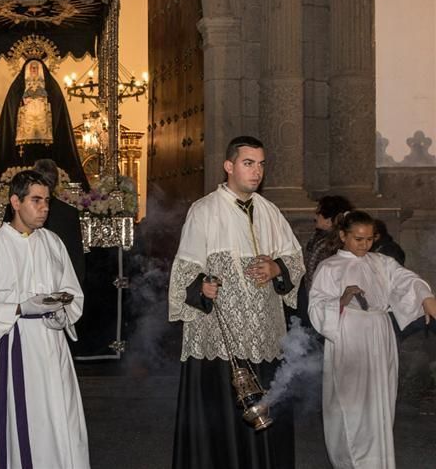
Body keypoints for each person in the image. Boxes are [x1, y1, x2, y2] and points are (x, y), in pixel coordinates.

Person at [167, 136, 304, 469]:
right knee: (222, 422)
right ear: (229, 166)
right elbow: (184, 272)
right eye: (248, 163)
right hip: (220, 339)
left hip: (264, 336)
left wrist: (276, 268)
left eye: (260, 164)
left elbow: (295, 260)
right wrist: (203, 288)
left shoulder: (271, 212)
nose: (256, 172)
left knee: (268, 416)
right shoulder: (204, 210)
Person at [0, 170, 90, 469]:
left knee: (62, 414)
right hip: (15, 343)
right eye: (36, 200)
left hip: (52, 342)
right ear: (15, 202)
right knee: (27, 417)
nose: (44, 208)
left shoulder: (53, 243)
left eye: (47, 201)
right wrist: (20, 308)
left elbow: (73, 292)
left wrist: (59, 312)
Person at [308, 210, 436, 469]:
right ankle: (351, 462)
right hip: (348, 335)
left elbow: (405, 279)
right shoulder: (330, 267)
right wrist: (341, 300)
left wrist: (425, 297)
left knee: (380, 403)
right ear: (343, 236)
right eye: (358, 239)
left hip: (379, 335)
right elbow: (316, 305)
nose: (364, 245)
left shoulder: (381, 262)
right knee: (350, 403)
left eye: (369, 239)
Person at [0, 58, 89, 192]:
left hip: (47, 136)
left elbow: (58, 111)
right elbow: (11, 110)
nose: (34, 70)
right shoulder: (18, 88)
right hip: (23, 137)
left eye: (36, 68)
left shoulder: (51, 88)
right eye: (31, 68)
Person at [300, 195, 354, 327]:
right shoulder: (319, 239)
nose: (315, 217)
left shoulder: (332, 245)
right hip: (312, 297)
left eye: (319, 213)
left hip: (325, 303)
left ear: (329, 221)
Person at [33, 158, 85, 284]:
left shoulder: (22, 209)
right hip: (61, 281)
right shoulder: (69, 212)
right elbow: (77, 258)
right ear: (57, 182)